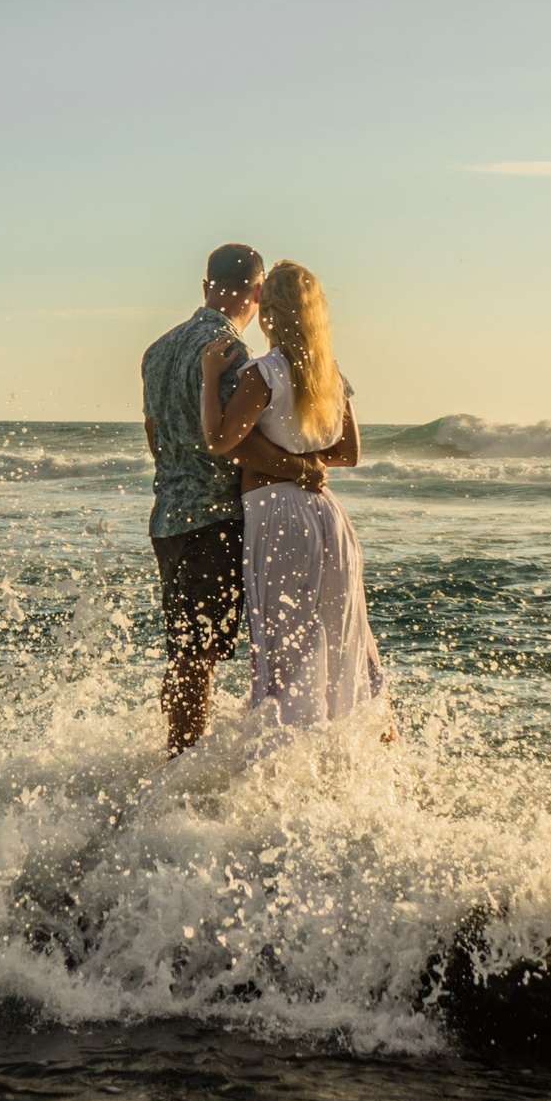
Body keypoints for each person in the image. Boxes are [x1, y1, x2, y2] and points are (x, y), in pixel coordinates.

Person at [141, 243, 329, 752]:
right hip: (214, 520)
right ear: (259, 292)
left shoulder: (157, 350)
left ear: (206, 287)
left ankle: (176, 751)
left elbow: (155, 436)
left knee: (185, 647)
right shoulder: (230, 352)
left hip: (167, 519)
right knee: (198, 655)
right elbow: (236, 442)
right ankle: (182, 763)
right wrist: (300, 468)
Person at [198, 259, 388, 729]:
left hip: (278, 514)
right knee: (342, 643)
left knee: (287, 649)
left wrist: (209, 376)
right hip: (328, 517)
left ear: (269, 314)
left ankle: (281, 755)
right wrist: (306, 461)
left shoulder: (265, 372)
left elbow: (220, 440)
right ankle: (351, 749)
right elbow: (348, 453)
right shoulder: (328, 374)